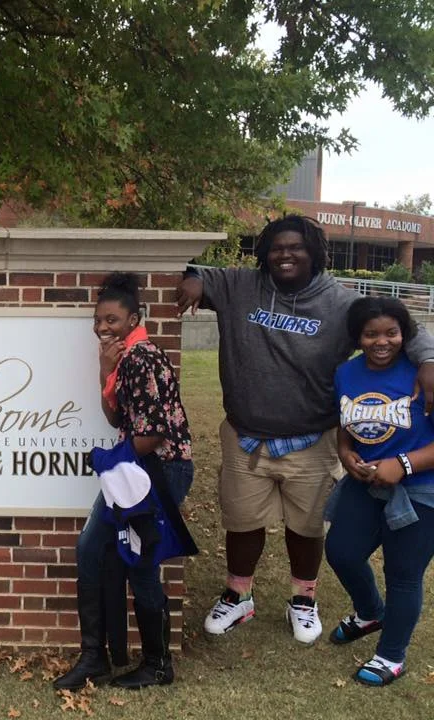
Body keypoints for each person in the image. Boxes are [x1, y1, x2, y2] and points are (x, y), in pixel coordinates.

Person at [176, 214, 434, 645]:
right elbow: (198, 275)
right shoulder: (240, 285)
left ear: (314, 251)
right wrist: (193, 281)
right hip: (245, 435)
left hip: (312, 437)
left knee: (307, 526)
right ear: (265, 253)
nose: (286, 254)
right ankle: (239, 596)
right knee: (242, 521)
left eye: (296, 247)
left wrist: (428, 360)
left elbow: (401, 326)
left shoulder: (341, 303)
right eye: (277, 247)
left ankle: (303, 599)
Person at [54, 272, 194, 691]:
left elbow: (154, 434)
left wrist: (109, 459)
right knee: (100, 551)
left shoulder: (142, 358)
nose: (102, 327)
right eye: (98, 320)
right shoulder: (125, 358)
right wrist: (104, 371)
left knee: (138, 562)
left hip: (157, 472)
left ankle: (154, 664)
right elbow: (118, 418)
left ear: (134, 319)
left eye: (111, 319)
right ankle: (98, 657)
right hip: (136, 469)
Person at [326, 297, 434, 686]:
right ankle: (371, 612)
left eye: (391, 333)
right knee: (341, 552)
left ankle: (391, 655)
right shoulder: (347, 372)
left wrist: (403, 464)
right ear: (357, 337)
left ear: (405, 334)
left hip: (420, 488)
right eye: (371, 334)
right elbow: (345, 421)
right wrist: (345, 452)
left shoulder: (423, 374)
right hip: (366, 483)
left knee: (403, 573)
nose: (382, 342)